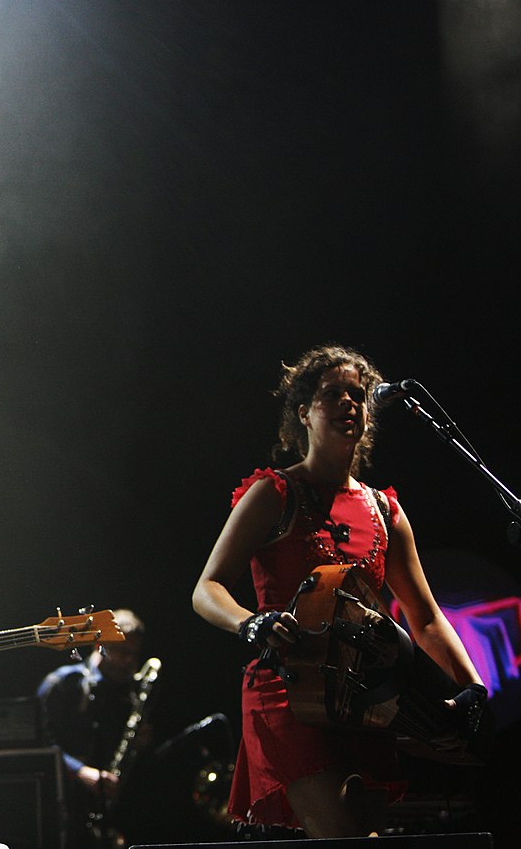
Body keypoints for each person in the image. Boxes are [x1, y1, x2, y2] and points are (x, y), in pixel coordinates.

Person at [191, 344, 486, 839]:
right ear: (303, 413)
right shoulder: (275, 493)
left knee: (363, 834)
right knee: (341, 834)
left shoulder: (383, 511)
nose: (350, 403)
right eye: (333, 394)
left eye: (358, 395)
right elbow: (207, 587)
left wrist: (473, 687)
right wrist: (249, 622)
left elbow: (427, 617)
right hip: (287, 690)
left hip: (365, 699)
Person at [36, 608, 154, 848]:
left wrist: (141, 743)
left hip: (111, 807)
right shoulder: (62, 683)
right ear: (99, 645)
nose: (129, 661)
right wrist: (80, 771)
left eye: (134, 654)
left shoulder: (131, 691)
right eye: (122, 652)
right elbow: (40, 744)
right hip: (65, 805)